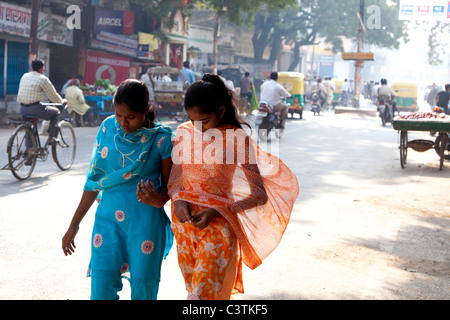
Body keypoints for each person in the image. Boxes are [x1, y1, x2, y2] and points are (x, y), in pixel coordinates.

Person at [168, 74, 299, 300]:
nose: (198, 128)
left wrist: (217, 210)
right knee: (194, 292)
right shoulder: (183, 131)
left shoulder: (237, 139)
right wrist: (178, 199)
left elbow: (259, 195)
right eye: (192, 120)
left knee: (201, 297)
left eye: (204, 121)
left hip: (219, 228)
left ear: (220, 111)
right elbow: (176, 179)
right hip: (186, 228)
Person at [62, 79, 174, 300]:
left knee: (143, 289)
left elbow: (171, 188)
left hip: (145, 225)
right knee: (101, 288)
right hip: (108, 221)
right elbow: (94, 181)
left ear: (146, 110)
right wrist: (74, 225)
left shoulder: (161, 139)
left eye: (131, 117)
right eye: (118, 115)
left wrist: (158, 199)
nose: (123, 122)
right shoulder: (107, 127)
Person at [17, 59, 67, 143]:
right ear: (41, 68)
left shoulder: (24, 76)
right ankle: (51, 138)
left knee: (29, 129)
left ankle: (29, 152)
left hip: (22, 109)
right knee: (56, 112)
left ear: (32, 67)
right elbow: (53, 95)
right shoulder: (43, 79)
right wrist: (62, 101)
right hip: (35, 109)